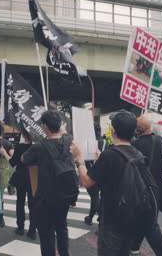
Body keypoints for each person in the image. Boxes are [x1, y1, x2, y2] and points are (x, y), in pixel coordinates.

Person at [71, 110, 157, 256]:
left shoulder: (110, 155)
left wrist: (79, 159)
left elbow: (86, 181)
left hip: (112, 219)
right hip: (133, 217)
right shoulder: (137, 153)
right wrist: (101, 159)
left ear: (113, 130)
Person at [21, 110, 74, 256]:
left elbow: (24, 159)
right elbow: (66, 135)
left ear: (44, 127)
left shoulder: (39, 147)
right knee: (62, 227)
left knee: (46, 233)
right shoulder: (69, 140)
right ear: (60, 125)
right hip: (64, 194)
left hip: (44, 197)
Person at [129, 116, 162, 256]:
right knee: (141, 224)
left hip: (144, 191)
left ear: (139, 129)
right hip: (157, 190)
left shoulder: (136, 145)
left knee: (151, 229)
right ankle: (133, 248)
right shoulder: (161, 141)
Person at [9, 134, 37, 240]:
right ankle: (32, 230)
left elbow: (12, 163)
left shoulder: (19, 147)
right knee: (33, 204)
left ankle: (20, 227)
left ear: (24, 135)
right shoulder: (38, 146)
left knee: (20, 202)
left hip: (21, 176)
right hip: (33, 176)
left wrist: (5, 154)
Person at [84, 123, 103, 226]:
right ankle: (90, 217)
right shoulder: (104, 142)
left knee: (94, 196)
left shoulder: (88, 143)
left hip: (91, 173)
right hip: (102, 174)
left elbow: (86, 160)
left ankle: (103, 219)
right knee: (95, 196)